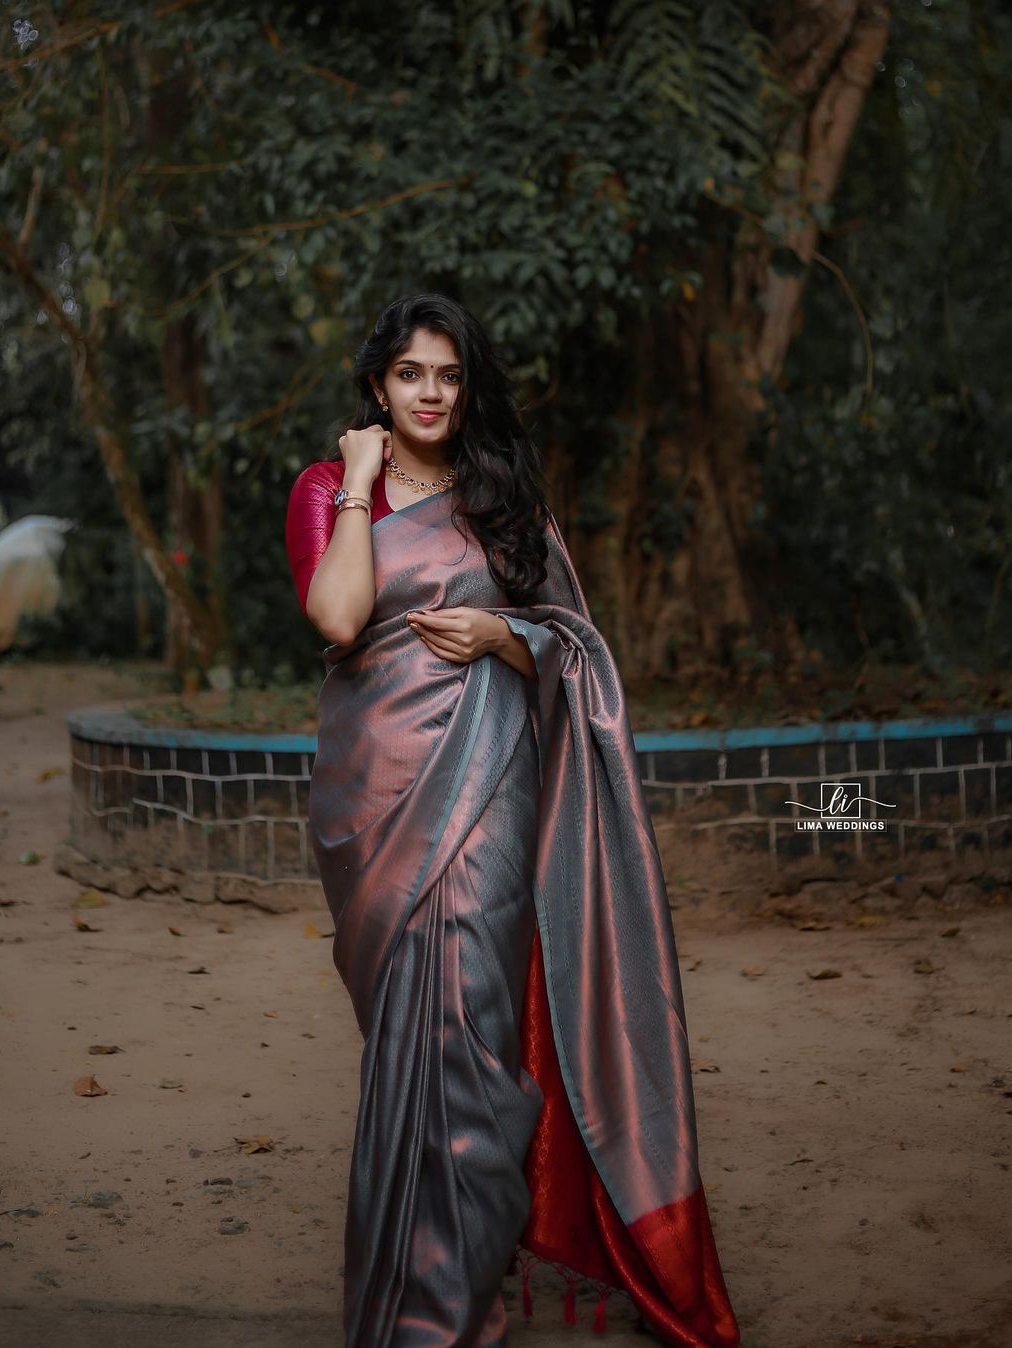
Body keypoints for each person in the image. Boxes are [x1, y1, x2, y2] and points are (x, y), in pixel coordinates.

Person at [285, 293, 741, 1348]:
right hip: (373, 802)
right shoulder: (324, 489)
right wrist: (357, 482)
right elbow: (340, 616)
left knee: (474, 1043)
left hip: (489, 788)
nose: (431, 393)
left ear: (466, 385)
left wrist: (502, 633)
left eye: (447, 375)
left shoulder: (502, 499)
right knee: (405, 1054)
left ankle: (457, 1308)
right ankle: (412, 1302)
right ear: (377, 388)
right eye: (410, 375)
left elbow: (569, 637)